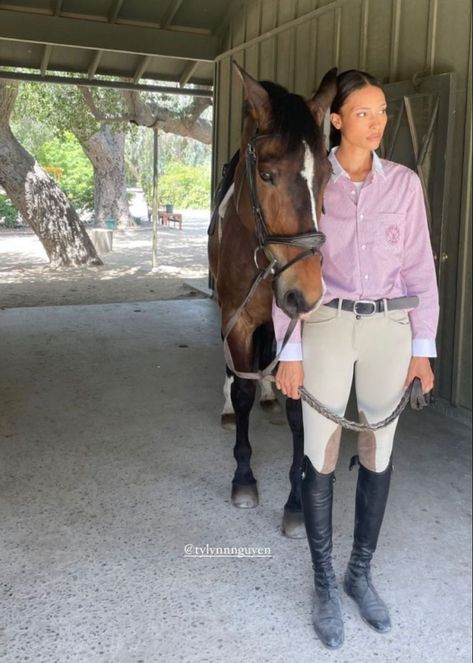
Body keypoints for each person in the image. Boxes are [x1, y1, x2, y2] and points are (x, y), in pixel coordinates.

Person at [273, 69, 439, 650]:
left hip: (390, 328)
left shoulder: (405, 185)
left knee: (377, 451)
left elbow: (421, 268)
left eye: (383, 111)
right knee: (319, 454)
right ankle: (322, 583)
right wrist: (289, 349)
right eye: (364, 113)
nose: (378, 123)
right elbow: (289, 267)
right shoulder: (314, 185)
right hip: (325, 325)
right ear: (336, 120)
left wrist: (423, 348)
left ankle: (358, 574)